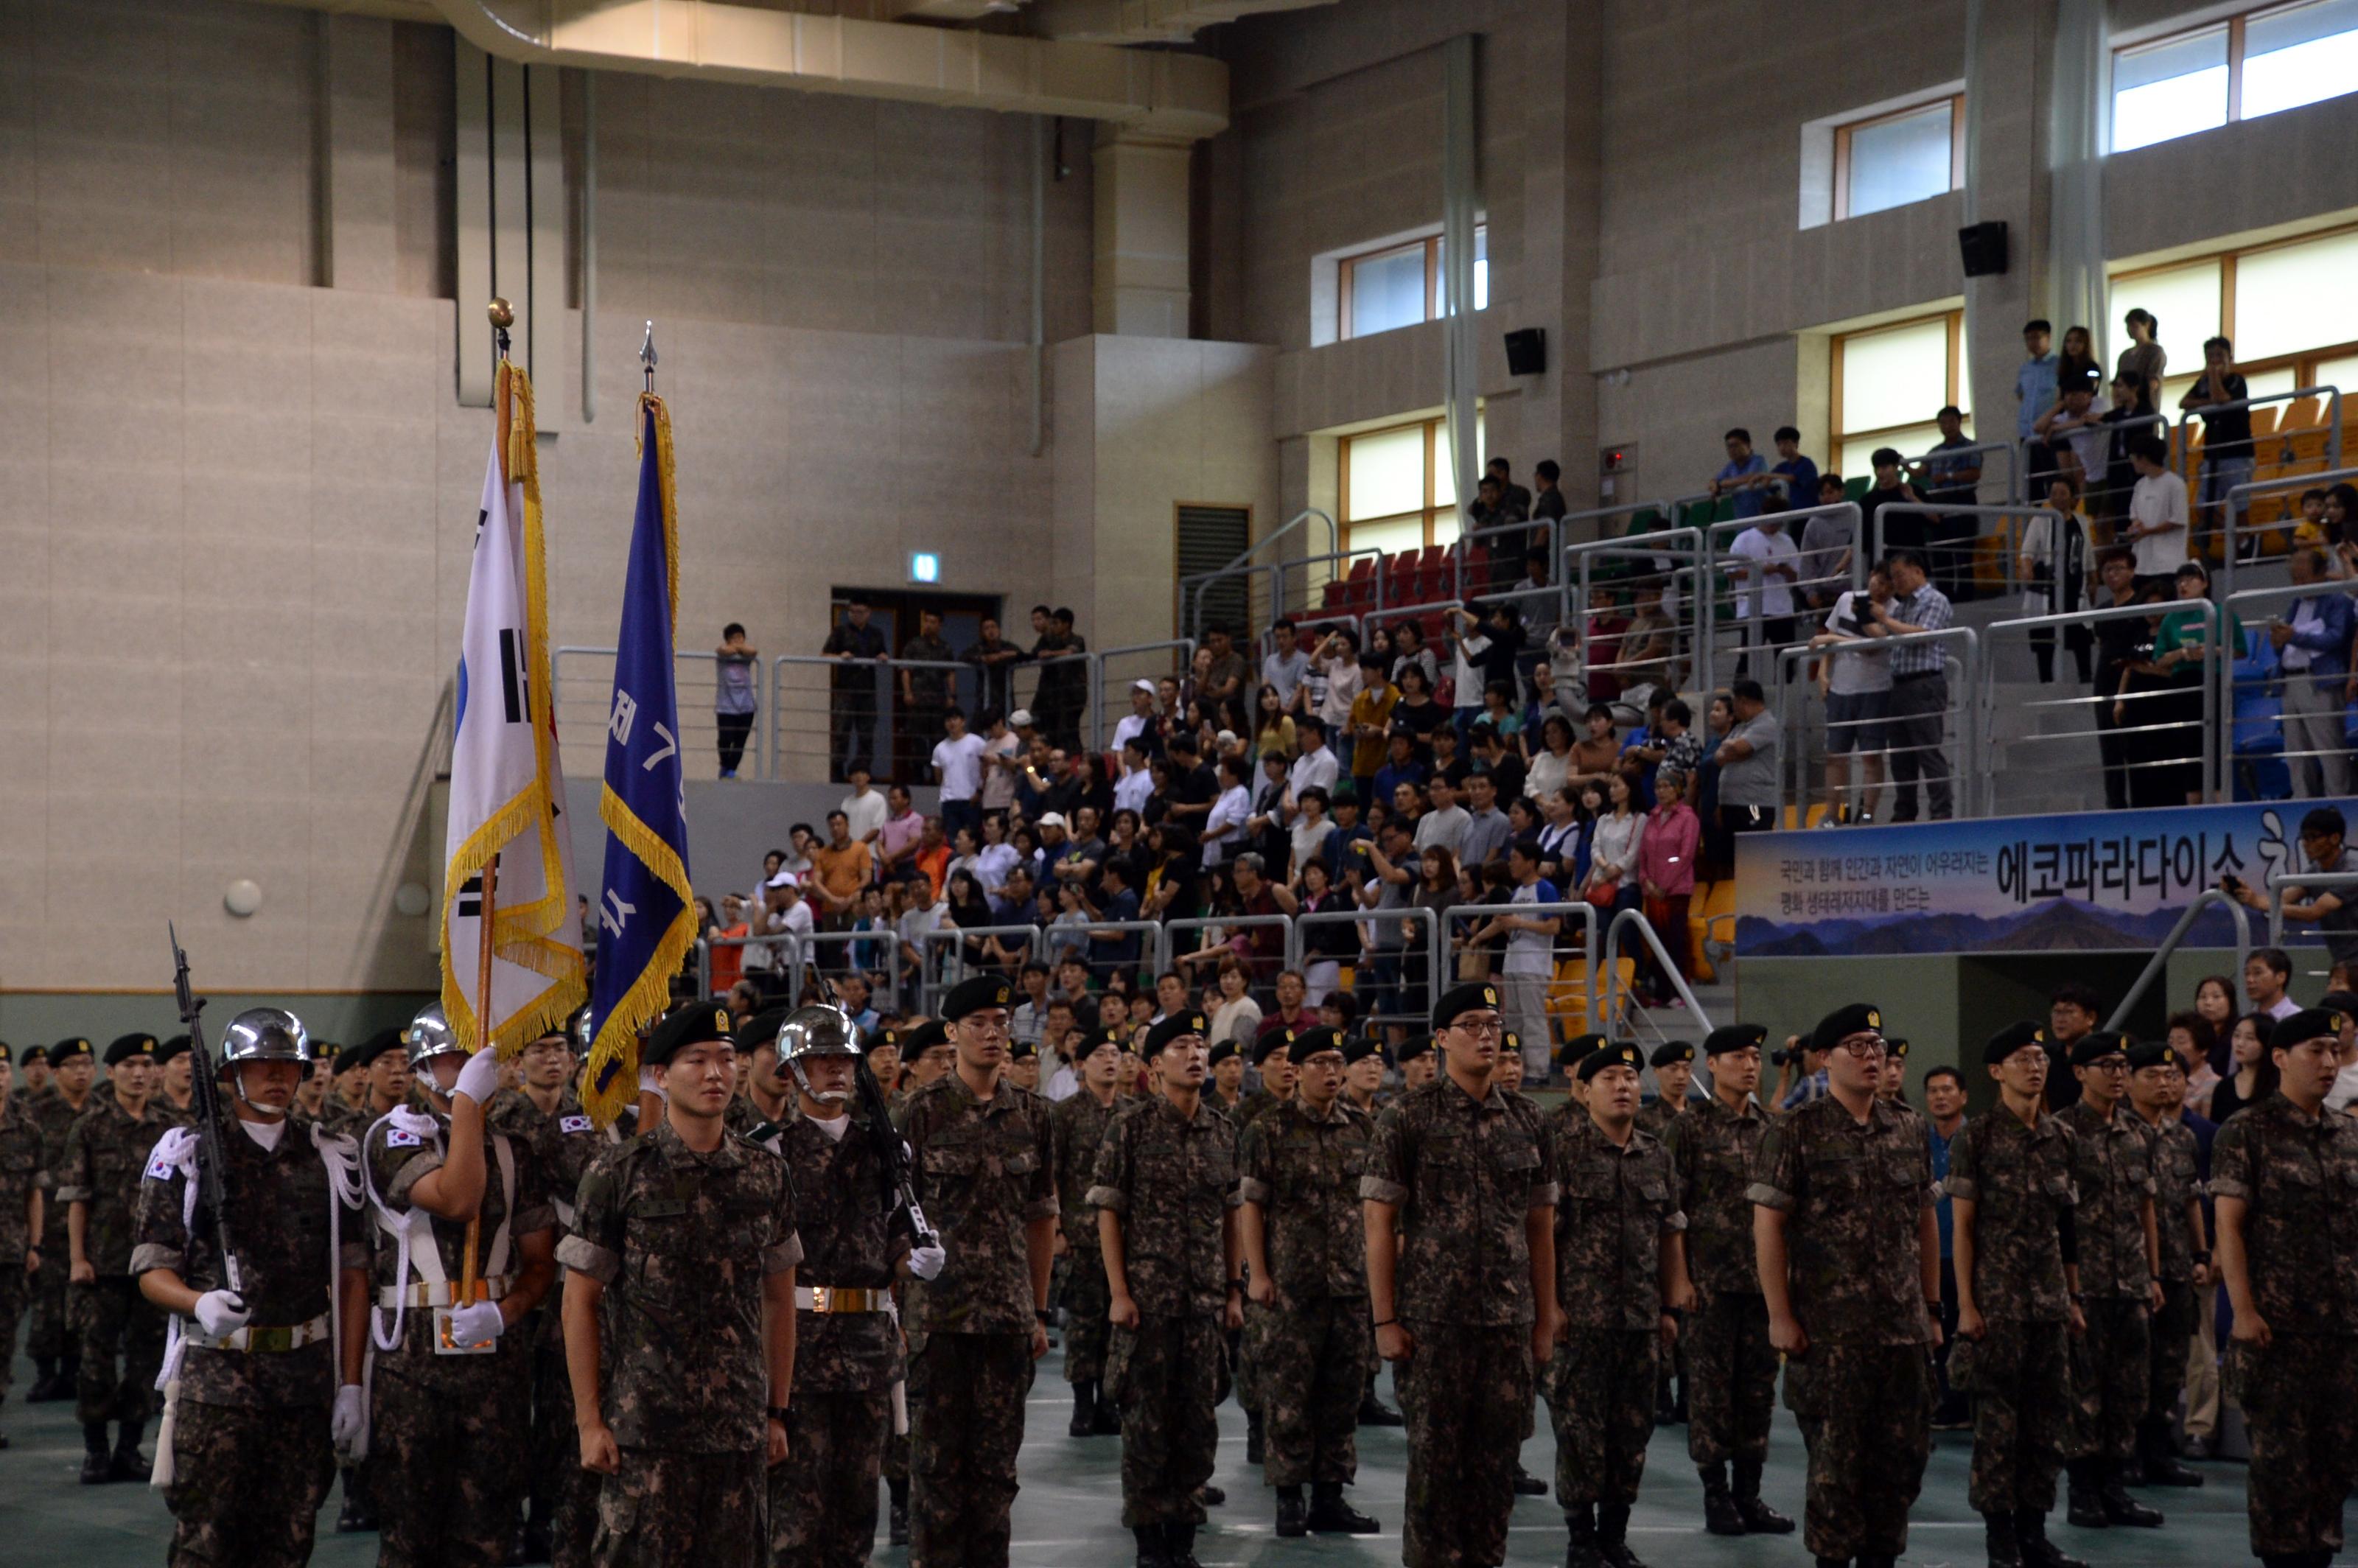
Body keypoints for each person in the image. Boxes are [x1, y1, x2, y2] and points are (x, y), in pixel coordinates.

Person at [556, 1003, 795, 1565]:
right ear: (660, 1076)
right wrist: (590, 1422)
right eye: (697, 1060)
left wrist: (777, 1413)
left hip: (738, 1433)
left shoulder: (766, 1174)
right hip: (647, 1434)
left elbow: (779, 1299)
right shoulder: (618, 1173)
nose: (716, 1073)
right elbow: (579, 1303)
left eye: (726, 1059)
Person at [127, 1010, 365, 1567]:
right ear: (231, 1075)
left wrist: (351, 1383)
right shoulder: (187, 1155)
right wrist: (197, 1302)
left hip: (303, 1385)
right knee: (206, 1546)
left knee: (289, 1544)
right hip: (218, 1387)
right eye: (260, 1065)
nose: (277, 1077)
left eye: (289, 1065)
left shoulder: (330, 1156)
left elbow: (353, 1276)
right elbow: (150, 1271)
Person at [1360, 981, 1561, 1568]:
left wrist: (1545, 1318)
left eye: (1493, 1024)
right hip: (1433, 1326)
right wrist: (1385, 1320)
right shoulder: (1408, 1117)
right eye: (1471, 1024)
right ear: (1443, 1039)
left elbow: (1541, 1228)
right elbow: (1378, 1223)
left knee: (1496, 1472)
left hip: (1508, 1326)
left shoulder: (1529, 1119)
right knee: (1434, 1474)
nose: (1486, 1035)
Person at [362, 1007, 556, 1565]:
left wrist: (509, 1311)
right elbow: (457, 1198)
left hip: (494, 1359)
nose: (478, 1066)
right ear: (424, 1067)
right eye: (459, 1057)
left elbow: (540, 1263)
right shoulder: (392, 1136)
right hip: (413, 1360)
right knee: (411, 1531)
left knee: (489, 1530)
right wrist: (467, 1104)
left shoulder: (515, 1151)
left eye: (484, 1057)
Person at [1750, 1002, 1941, 1568]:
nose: (1871, 1057)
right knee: (1836, 1471)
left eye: (1877, 1046)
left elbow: (1925, 1222)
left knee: (1901, 1464)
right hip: (1831, 1334)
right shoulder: (1797, 1131)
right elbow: (1768, 1225)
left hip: (1902, 1331)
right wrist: (1779, 1314)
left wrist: (1932, 1307)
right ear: (1824, 1059)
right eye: (1856, 1046)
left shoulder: (1907, 1127)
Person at [754, 1005, 934, 1568]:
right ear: (794, 1070)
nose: (836, 1070)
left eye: (844, 1061)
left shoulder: (886, 1149)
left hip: (869, 1348)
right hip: (799, 1346)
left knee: (858, 1512)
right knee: (795, 1518)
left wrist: (916, 1258)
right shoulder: (770, 1152)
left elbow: (897, 1234)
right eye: (821, 1059)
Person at [895, 974, 1057, 1568]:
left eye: (1002, 1022)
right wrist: (898, 1311)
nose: (994, 1034)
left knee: (997, 1476)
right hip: (937, 1321)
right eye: (981, 1024)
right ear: (953, 1033)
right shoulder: (918, 1113)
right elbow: (890, 1221)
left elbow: (1041, 1218)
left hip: (1007, 1321)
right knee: (935, 1474)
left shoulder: (1034, 1117)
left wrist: (1038, 1311)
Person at [2205, 1006, 2358, 1566]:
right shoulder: (2248, 1131)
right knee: (2280, 1465)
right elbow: (2229, 1225)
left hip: (2342, 1332)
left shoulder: (2348, 1135)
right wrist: (2243, 1312)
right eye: (2315, 1050)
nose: (2328, 1062)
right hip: (2279, 1331)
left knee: (2336, 1459)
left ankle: (2320, 1554)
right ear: (2279, 1058)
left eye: (2335, 1050)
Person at [1091, 1010, 1243, 1567]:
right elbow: (1110, 1213)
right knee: (1148, 1430)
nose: (1197, 1055)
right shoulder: (1130, 1129)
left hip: (1203, 1306)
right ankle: (1150, 1543)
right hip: (1148, 1307)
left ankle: (1183, 1537)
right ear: (1156, 1066)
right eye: (1183, 1046)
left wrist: (1233, 1291)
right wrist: (1119, 1292)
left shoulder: (1223, 1130)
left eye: (1201, 1045)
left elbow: (1232, 1216)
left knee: (1197, 1428)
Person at [1541, 1039, 1692, 1568]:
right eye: (1609, 1078)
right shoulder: (1562, 1154)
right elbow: (1543, 1239)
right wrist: (1551, 1306)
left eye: (1630, 1077)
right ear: (1584, 1091)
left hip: (1641, 1321)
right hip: (1580, 1322)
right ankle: (1581, 1540)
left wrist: (1671, 1308)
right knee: (1581, 1435)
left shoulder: (1657, 1155)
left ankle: (1614, 1536)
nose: (1623, 1086)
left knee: (1632, 1433)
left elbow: (1671, 1232)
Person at [1945, 1021, 2085, 1568]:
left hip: (2049, 1305)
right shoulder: (1976, 1137)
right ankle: (1999, 1538)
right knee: (1998, 1432)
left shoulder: (2062, 1137)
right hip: (1997, 1307)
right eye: (2023, 1058)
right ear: (1996, 1071)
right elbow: (1963, 1228)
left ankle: (2034, 1532)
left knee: (2046, 1429)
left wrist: (2072, 1298)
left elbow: (2067, 1226)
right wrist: (1968, 1306)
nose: (2035, 1066)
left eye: (2040, 1058)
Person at [1236, 1024, 1381, 1539]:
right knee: (1289, 1394)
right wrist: (1258, 1275)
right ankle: (1290, 1497)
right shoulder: (1268, 1129)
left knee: (1342, 1396)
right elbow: (1250, 1206)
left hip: (1349, 1286)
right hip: (1291, 1288)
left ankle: (1330, 1496)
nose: (1332, 1071)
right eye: (1319, 1062)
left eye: (1337, 1062)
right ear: (1297, 1071)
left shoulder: (1364, 1128)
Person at [486, 1013, 608, 1564]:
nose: (552, 1059)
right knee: (510, 1412)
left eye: (560, 1049)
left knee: (563, 1411)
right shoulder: (500, 1116)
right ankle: (507, 1518)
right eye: (539, 1050)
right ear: (516, 1063)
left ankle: (549, 1516)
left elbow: (591, 1180)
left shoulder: (590, 1118)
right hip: (516, 1278)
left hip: (568, 1285)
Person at [1664, 1023, 1793, 1537]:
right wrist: (1679, 1279)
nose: (1750, 1065)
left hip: (1762, 1289)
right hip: (1710, 1286)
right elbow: (1671, 1211)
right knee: (1712, 1396)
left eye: (1756, 1057)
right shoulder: (1689, 1128)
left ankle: (1749, 1496)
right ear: (1712, 1066)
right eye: (1738, 1056)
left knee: (1757, 1394)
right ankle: (1716, 1496)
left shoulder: (1773, 1128)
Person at [2052, 1031, 2166, 1531]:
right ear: (2080, 1072)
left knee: (2128, 1393)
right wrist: (2066, 1287)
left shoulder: (2137, 1133)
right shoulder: (2061, 1132)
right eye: (2106, 1065)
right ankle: (2082, 1490)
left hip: (2132, 1282)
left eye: (2123, 1065)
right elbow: (2055, 1218)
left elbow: (2147, 1207)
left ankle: (2115, 1487)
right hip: (2087, 1284)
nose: (2118, 1074)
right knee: (2084, 1394)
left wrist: (2154, 1274)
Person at [62, 1032, 175, 1483]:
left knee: (147, 1359)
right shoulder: (91, 1125)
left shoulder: (168, 1126)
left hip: (153, 1263)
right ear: (111, 1073)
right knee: (96, 1360)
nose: (139, 1073)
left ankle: (129, 1447)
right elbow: (77, 1198)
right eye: (129, 1065)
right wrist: (77, 1258)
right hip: (104, 1263)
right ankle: (95, 1451)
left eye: (147, 1065)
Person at [2122, 1039, 2208, 1491]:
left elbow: (2192, 1199)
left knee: (2171, 1365)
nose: (2164, 1083)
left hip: (2176, 1269)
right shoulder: (2120, 1133)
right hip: (2132, 1270)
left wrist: (2201, 1253)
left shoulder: (2182, 1137)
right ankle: (2129, 1455)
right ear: (2130, 1081)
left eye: (2171, 1075)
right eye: (2152, 1075)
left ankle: (2159, 1453)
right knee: (2135, 1365)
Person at [1052, 1030, 1126, 1438]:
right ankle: (1083, 1404)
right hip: (1080, 1236)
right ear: (1082, 1064)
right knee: (1083, 1325)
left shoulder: (1133, 1113)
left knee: (1118, 1327)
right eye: (1101, 1053)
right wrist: (1059, 1228)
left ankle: (1110, 1401)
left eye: (1116, 1053)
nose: (1110, 1060)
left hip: (1125, 1240)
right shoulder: (1066, 1115)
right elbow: (1053, 1174)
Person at [26, 1035, 97, 1406]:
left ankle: (74, 1371)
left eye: (87, 1065)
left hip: (91, 1226)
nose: (82, 1072)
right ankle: (45, 1374)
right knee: (47, 1307)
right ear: (56, 1073)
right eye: (73, 1065)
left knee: (82, 1305)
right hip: (50, 1225)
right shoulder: (35, 1112)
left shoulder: (101, 1109)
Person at [1870, 549, 1955, 822]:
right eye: (1893, 578)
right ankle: (1904, 813)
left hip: (1924, 684)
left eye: (1900, 575)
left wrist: (1885, 619)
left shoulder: (1935, 600)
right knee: (1900, 758)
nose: (1896, 582)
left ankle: (1941, 813)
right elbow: (1886, 636)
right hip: (1899, 686)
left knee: (1928, 752)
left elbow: (1922, 635)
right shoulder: (1903, 606)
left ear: (1918, 570)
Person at [0, 1042, 42, 1451]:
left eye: (1, 1069)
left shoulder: (26, 1127)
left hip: (10, 1253)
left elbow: (34, 1191)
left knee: (4, 1340)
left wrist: (35, 1244)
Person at [2180, 336, 2253, 559]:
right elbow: (2184, 403)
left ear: (2229, 358)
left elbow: (2222, 397)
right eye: (2209, 357)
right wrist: (2209, 399)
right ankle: (2242, 541)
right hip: (2211, 454)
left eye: (2218, 356)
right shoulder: (2202, 384)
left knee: (2240, 507)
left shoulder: (2237, 381)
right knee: (2204, 507)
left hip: (2237, 453)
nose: (2213, 362)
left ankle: (2246, 549)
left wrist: (2213, 379)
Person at [824, 599, 890, 780]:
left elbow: (882, 653)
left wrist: (883, 657)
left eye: (860, 612)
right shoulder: (840, 632)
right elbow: (824, 654)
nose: (856, 615)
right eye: (852, 612)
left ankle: (863, 771)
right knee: (841, 731)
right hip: (846, 690)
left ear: (868, 613)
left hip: (867, 690)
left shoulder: (876, 634)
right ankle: (838, 770)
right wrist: (839, 656)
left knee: (866, 733)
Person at [2122, 435, 2190, 595]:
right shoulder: (2140, 485)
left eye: (2133, 457)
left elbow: (2178, 520)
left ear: (2143, 458)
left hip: (2168, 563)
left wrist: (2147, 532)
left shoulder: (2175, 484)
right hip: (2142, 562)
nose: (2132, 461)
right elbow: (2135, 516)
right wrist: (2135, 528)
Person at [1715, 678, 1779, 839]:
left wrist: (1735, 749)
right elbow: (1718, 757)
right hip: (1732, 803)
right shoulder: (1740, 728)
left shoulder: (1767, 724)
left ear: (1742, 701)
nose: (1733, 708)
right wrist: (1735, 751)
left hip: (1754, 803)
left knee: (1753, 856)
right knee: (1731, 858)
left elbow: (1740, 747)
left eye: (1734, 703)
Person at [715, 621, 760, 778]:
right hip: (726, 706)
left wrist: (739, 648)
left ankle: (731, 771)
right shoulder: (723, 654)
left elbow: (754, 651)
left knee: (740, 742)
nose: (739, 641)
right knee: (725, 739)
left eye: (741, 638)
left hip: (746, 707)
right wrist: (735, 648)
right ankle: (724, 765)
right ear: (728, 640)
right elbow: (722, 650)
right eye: (734, 638)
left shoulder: (746, 655)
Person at [1708, 428, 1771, 518]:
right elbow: (1714, 481)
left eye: (1736, 445)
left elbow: (1753, 477)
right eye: (1729, 447)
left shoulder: (1758, 460)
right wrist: (1714, 485)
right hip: (1742, 522)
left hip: (1763, 520)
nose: (1732, 450)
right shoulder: (1731, 466)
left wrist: (1724, 483)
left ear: (1748, 445)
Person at [2117, 308, 2166, 413]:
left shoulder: (2155, 351)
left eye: (2135, 326)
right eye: (2129, 326)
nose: (2131, 330)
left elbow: (2153, 382)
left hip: (2145, 407)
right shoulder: (2124, 355)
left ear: (2147, 325)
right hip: (2124, 409)